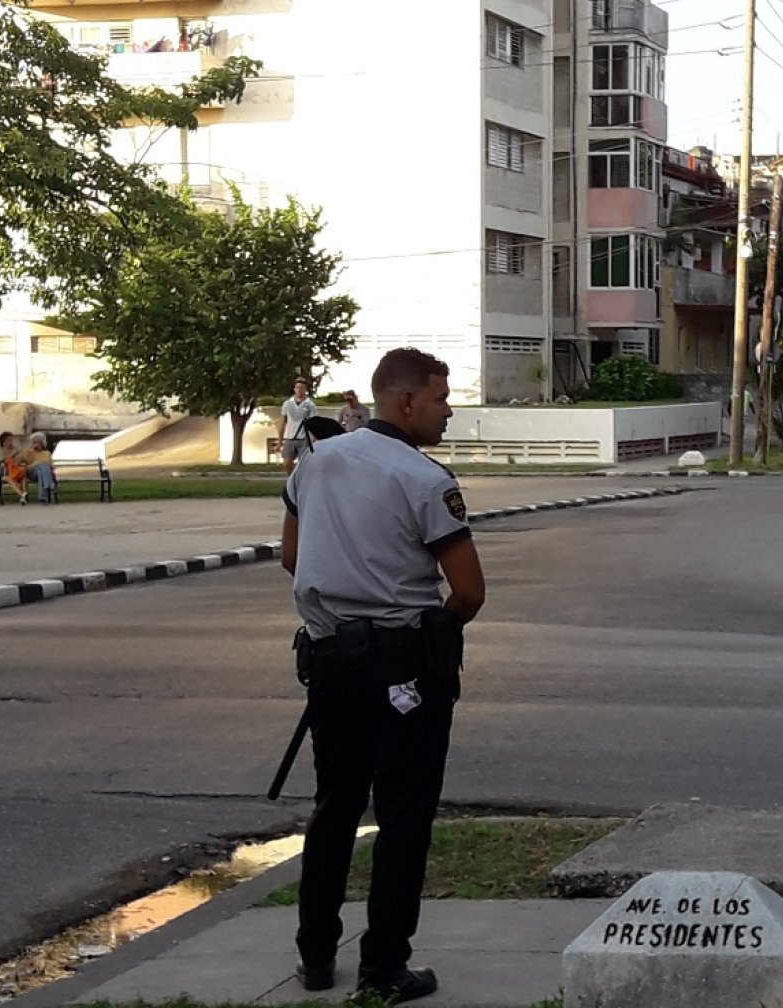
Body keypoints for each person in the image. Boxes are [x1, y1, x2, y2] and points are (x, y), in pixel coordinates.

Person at [281, 347, 485, 1002]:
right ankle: (383, 966)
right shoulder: (425, 479)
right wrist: (429, 633)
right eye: (441, 398)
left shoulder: (313, 464)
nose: (447, 410)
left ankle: (315, 956)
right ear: (406, 402)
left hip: (332, 663)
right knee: (403, 816)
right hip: (404, 671)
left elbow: (291, 557)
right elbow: (469, 591)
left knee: (334, 805)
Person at [277, 379, 319, 475]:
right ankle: (290, 479)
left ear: (305, 389)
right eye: (297, 387)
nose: (299, 390)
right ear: (294, 389)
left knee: (304, 463)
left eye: (301, 388)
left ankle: (301, 481)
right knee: (287, 462)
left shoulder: (310, 405)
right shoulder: (287, 404)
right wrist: (280, 441)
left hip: (304, 438)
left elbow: (314, 422)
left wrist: (314, 439)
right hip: (290, 437)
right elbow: (282, 421)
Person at [19, 433, 57, 504]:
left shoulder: (46, 453)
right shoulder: (29, 451)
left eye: (38, 442)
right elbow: (22, 460)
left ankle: (42, 497)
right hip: (31, 473)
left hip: (42, 473)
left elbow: (51, 466)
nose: (36, 444)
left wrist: (42, 464)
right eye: (34, 442)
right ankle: (50, 485)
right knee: (43, 465)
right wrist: (30, 450)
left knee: (41, 471)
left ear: (42, 443)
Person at [0, 432, 28, 504]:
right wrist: (12, 455)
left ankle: (24, 493)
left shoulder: (15, 450)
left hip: (15, 471)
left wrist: (19, 457)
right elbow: (1, 462)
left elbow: (20, 461)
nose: (11, 442)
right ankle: (22, 495)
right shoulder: (0, 450)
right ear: (4, 442)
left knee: (23, 474)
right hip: (3, 473)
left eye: (12, 440)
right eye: (9, 440)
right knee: (9, 478)